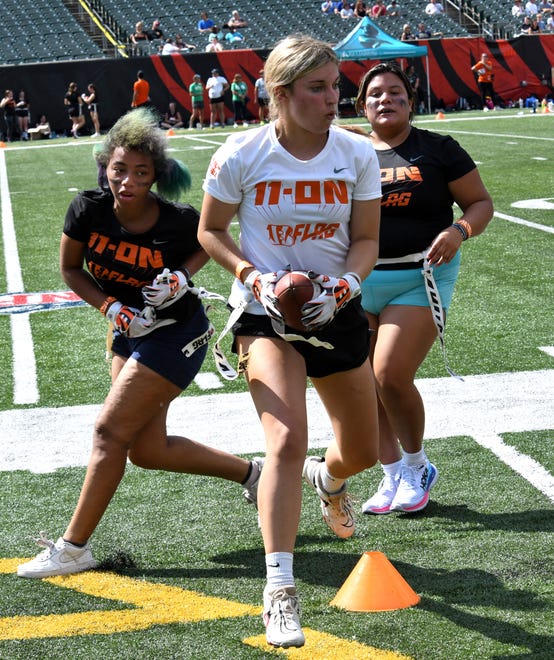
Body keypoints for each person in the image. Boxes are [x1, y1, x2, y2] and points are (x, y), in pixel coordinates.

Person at [17, 107, 263, 580]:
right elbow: (71, 269)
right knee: (146, 450)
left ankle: (73, 549)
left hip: (177, 333)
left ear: (156, 177)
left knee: (109, 431)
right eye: (119, 169)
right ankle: (253, 474)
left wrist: (179, 276)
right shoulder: (86, 209)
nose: (127, 180)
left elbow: (210, 240)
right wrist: (109, 307)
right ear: (104, 164)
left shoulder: (177, 219)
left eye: (141, 172)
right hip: (127, 331)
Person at [198, 34, 381, 648]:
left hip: (336, 311)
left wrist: (346, 286)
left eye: (335, 85)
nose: (335, 99)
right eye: (318, 88)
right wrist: (254, 277)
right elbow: (210, 230)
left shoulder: (356, 153)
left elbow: (367, 240)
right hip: (265, 315)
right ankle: (279, 591)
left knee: (364, 453)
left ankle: (328, 480)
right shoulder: (242, 152)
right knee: (284, 440)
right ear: (280, 93)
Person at [352, 62, 492, 516]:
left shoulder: (438, 147)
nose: (385, 100)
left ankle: (417, 465)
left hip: (419, 276)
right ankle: (392, 472)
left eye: (395, 92)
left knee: (388, 373)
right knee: (363, 383)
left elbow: (480, 202)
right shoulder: (347, 152)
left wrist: (459, 231)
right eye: (375, 94)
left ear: (411, 102)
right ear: (362, 105)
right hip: (356, 279)